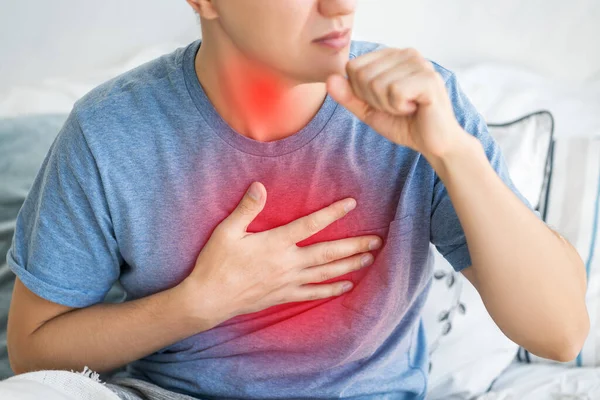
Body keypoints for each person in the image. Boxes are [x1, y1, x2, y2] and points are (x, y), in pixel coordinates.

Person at [6, 0, 590, 399]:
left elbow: (561, 333)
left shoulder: (426, 108)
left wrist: (455, 155)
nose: (338, 6)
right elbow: (33, 357)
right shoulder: (109, 130)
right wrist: (198, 303)